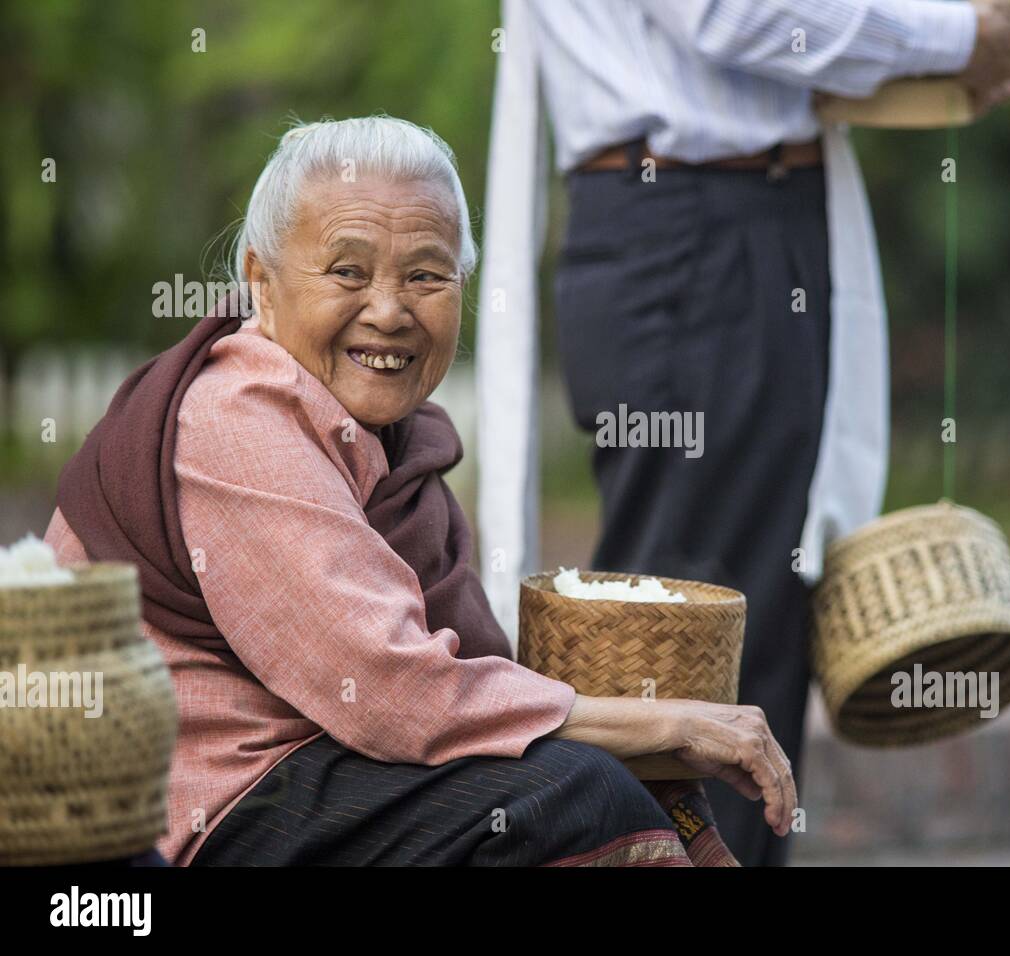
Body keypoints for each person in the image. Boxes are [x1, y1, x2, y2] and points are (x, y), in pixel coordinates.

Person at [46, 116, 795, 866]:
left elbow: (451, 685)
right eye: (347, 271)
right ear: (260, 284)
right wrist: (668, 724)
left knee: (582, 778)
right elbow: (388, 690)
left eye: (426, 275)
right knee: (568, 799)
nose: (389, 310)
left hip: (326, 771)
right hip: (201, 808)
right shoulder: (234, 417)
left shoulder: (402, 439)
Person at [476, 0, 1010, 865]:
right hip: (699, 230)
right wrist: (955, 36)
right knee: (692, 640)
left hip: (723, 226)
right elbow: (733, 14)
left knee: (752, 622)